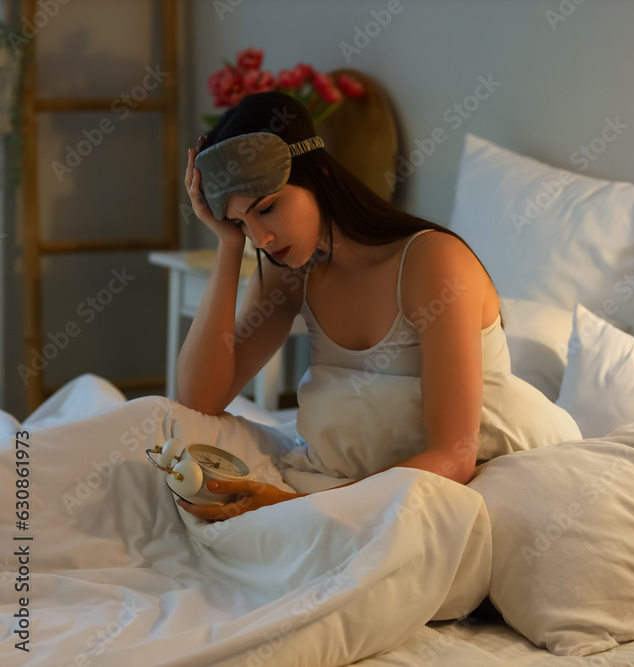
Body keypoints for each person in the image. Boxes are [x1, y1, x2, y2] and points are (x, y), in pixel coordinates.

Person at [176, 91, 579, 521]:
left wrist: (300, 508)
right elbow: (199, 399)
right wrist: (227, 244)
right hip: (354, 481)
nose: (262, 238)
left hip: (472, 474)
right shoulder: (290, 271)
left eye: (268, 208)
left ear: (321, 174)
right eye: (241, 222)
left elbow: (452, 458)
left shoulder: (433, 264)